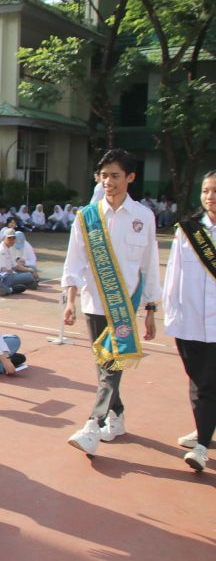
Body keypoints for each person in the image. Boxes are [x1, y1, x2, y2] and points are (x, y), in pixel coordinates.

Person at [63, 149, 161, 457]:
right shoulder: (87, 217)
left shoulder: (143, 217)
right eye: (103, 176)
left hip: (125, 306)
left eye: (115, 176)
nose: (109, 182)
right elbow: (74, 262)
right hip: (94, 303)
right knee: (104, 366)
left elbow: (149, 265)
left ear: (130, 177)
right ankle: (116, 417)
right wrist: (70, 301)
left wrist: (150, 310)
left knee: (109, 366)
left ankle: (93, 424)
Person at [163, 171, 216, 471]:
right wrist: (171, 314)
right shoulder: (188, 231)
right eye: (206, 191)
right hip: (191, 320)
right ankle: (205, 426)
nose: (210, 197)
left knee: (209, 383)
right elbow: (174, 274)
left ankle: (201, 446)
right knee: (197, 380)